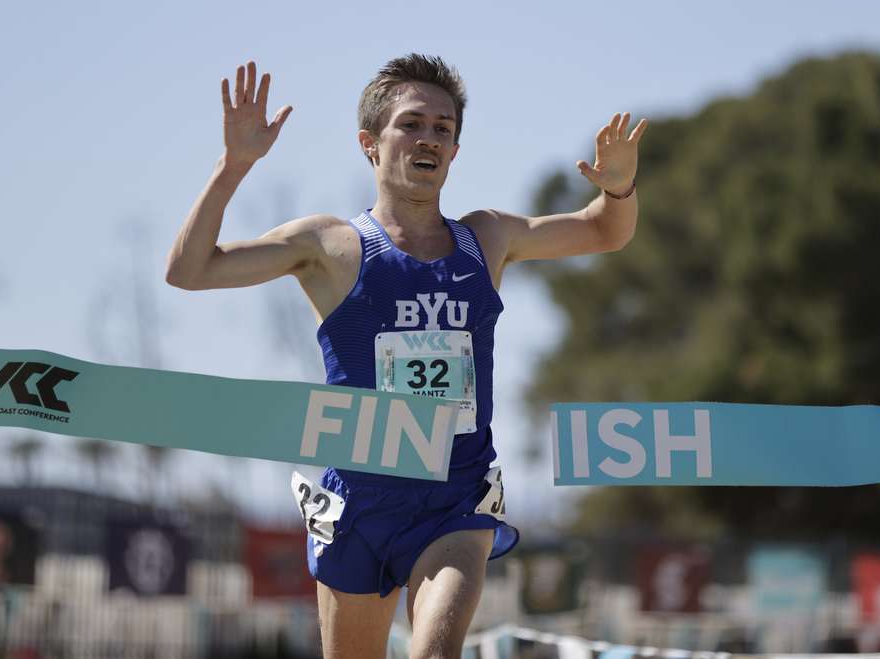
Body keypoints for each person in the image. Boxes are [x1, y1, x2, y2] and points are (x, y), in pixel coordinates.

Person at [166, 54, 647, 659]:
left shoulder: (487, 238)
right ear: (370, 143)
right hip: (359, 503)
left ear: (455, 151)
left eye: (444, 129)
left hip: (453, 500)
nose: (430, 139)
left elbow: (605, 230)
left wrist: (620, 186)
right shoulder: (331, 245)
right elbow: (189, 271)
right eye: (412, 124)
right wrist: (234, 164)